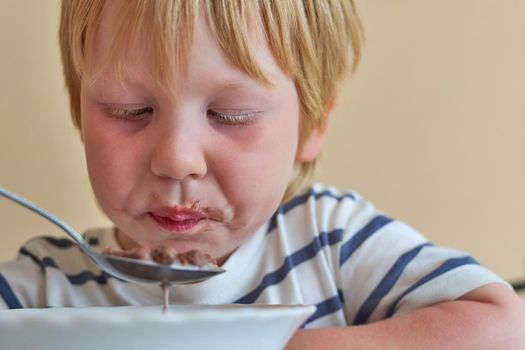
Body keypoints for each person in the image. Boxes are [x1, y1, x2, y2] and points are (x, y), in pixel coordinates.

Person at [1, 0, 524, 348]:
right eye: (128, 109)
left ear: (312, 122)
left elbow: (503, 327)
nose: (177, 159)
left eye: (231, 116)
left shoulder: (330, 243)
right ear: (78, 113)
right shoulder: (47, 284)